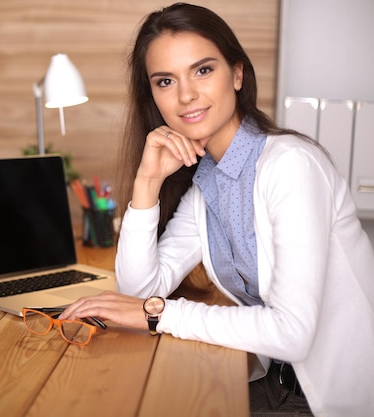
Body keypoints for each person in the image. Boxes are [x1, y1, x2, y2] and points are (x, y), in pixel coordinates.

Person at [59, 3, 374, 416]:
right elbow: (139, 291)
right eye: (165, 80)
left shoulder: (290, 166)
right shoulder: (209, 182)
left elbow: (292, 333)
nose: (186, 94)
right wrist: (147, 183)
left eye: (203, 70)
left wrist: (159, 313)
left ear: (237, 74)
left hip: (331, 400)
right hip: (277, 385)